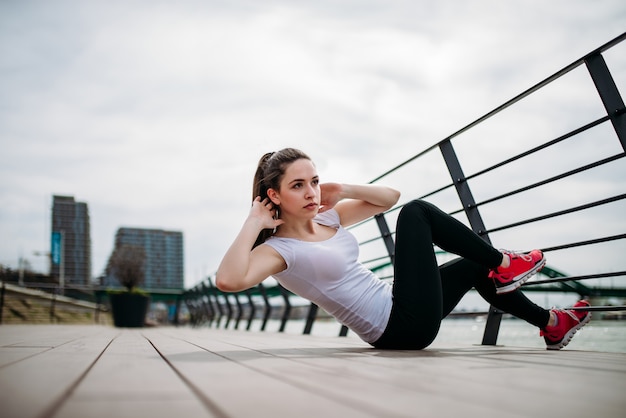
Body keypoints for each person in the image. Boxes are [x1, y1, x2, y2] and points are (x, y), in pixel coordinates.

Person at [216, 148, 591, 350]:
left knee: (474, 266)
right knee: (417, 215)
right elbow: (229, 280)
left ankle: (552, 325)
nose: (311, 191)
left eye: (313, 181)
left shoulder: (328, 218)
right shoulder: (281, 250)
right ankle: (507, 262)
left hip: (400, 304)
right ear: (273, 195)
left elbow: (389, 198)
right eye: (298, 185)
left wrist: (344, 189)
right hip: (396, 329)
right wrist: (253, 222)